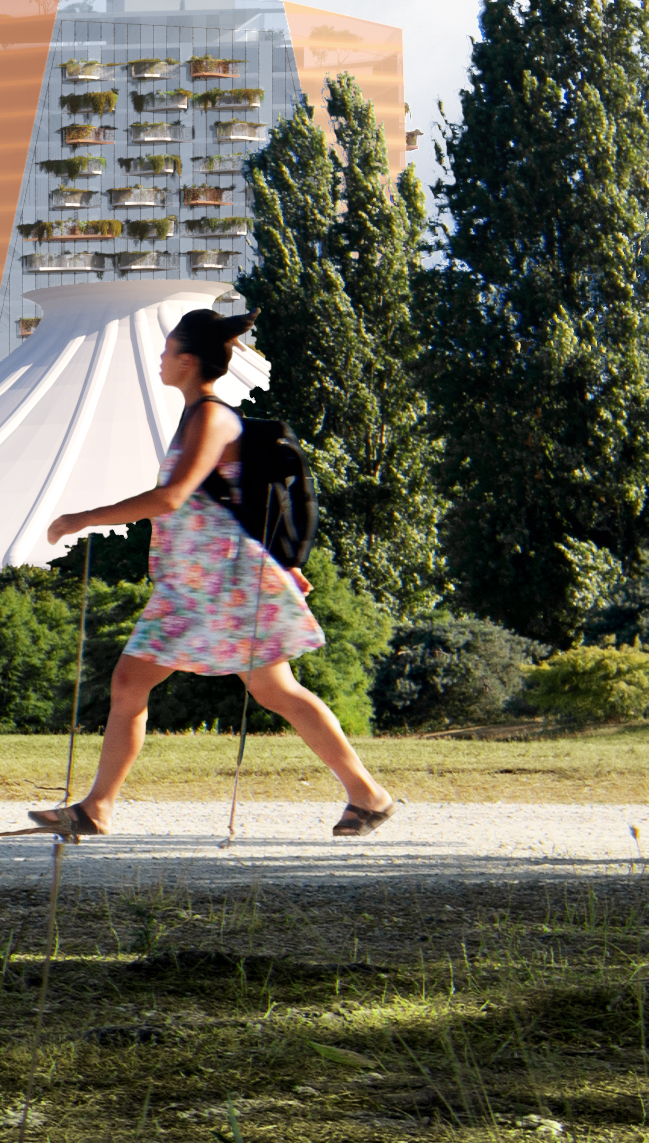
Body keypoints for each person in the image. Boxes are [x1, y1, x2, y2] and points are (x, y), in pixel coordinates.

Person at [32, 303, 393, 839]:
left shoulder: (211, 416)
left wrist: (81, 519)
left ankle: (369, 795)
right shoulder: (195, 416)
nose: (159, 359)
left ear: (188, 360)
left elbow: (173, 496)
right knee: (147, 683)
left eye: (167, 351)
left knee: (264, 691)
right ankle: (98, 807)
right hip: (197, 581)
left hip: (222, 581)